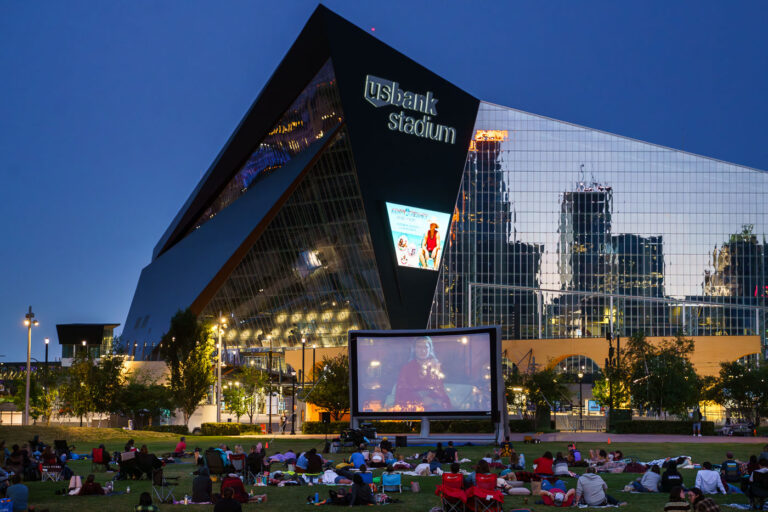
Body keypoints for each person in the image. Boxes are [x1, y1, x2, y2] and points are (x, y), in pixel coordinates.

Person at [394, 336, 451, 411]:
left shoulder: (436, 367)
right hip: (413, 409)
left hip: (434, 408)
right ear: (414, 349)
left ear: (430, 349)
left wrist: (434, 400)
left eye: (426, 347)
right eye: (419, 347)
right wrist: (420, 400)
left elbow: (441, 391)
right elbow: (401, 393)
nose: (423, 350)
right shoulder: (406, 369)